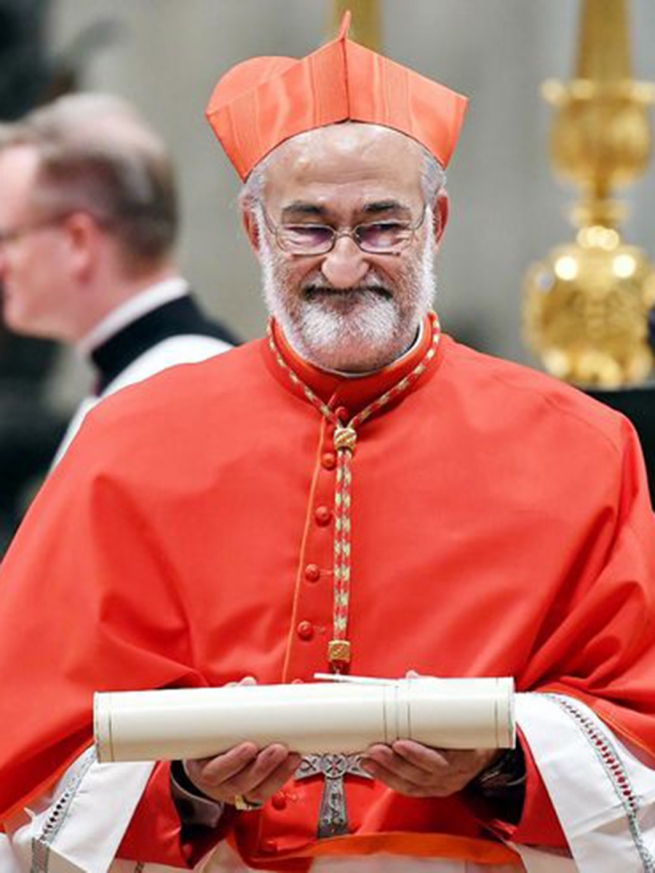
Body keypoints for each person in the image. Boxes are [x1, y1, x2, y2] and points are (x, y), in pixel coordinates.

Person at [0, 14, 654, 873]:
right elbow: (30, 743)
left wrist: (497, 758)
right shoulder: (127, 442)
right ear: (254, 232)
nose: (344, 264)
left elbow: (635, 727)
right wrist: (189, 785)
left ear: (437, 222)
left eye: (381, 224)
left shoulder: (582, 447)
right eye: (308, 226)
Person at [0, 92, 237, 464]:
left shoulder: (177, 387)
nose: (2, 263)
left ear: (78, 241)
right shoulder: (144, 378)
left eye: (8, 238)